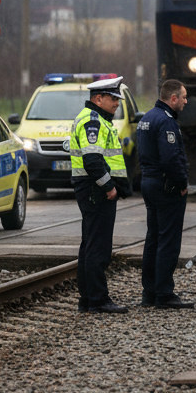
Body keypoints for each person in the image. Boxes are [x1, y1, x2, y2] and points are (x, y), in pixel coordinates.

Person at [70, 76, 132, 313]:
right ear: (98, 98)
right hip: (96, 190)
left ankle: (88, 299)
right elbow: (92, 161)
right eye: (113, 98)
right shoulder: (92, 122)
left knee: (90, 244)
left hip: (93, 189)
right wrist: (109, 187)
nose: (117, 103)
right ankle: (98, 299)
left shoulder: (96, 120)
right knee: (98, 247)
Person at [137, 79, 194, 309]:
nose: (185, 101)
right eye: (183, 97)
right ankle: (164, 294)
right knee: (168, 241)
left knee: (153, 239)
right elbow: (171, 158)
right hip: (166, 186)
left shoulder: (146, 118)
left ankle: (149, 292)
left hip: (149, 183)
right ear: (172, 98)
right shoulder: (166, 122)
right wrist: (181, 182)